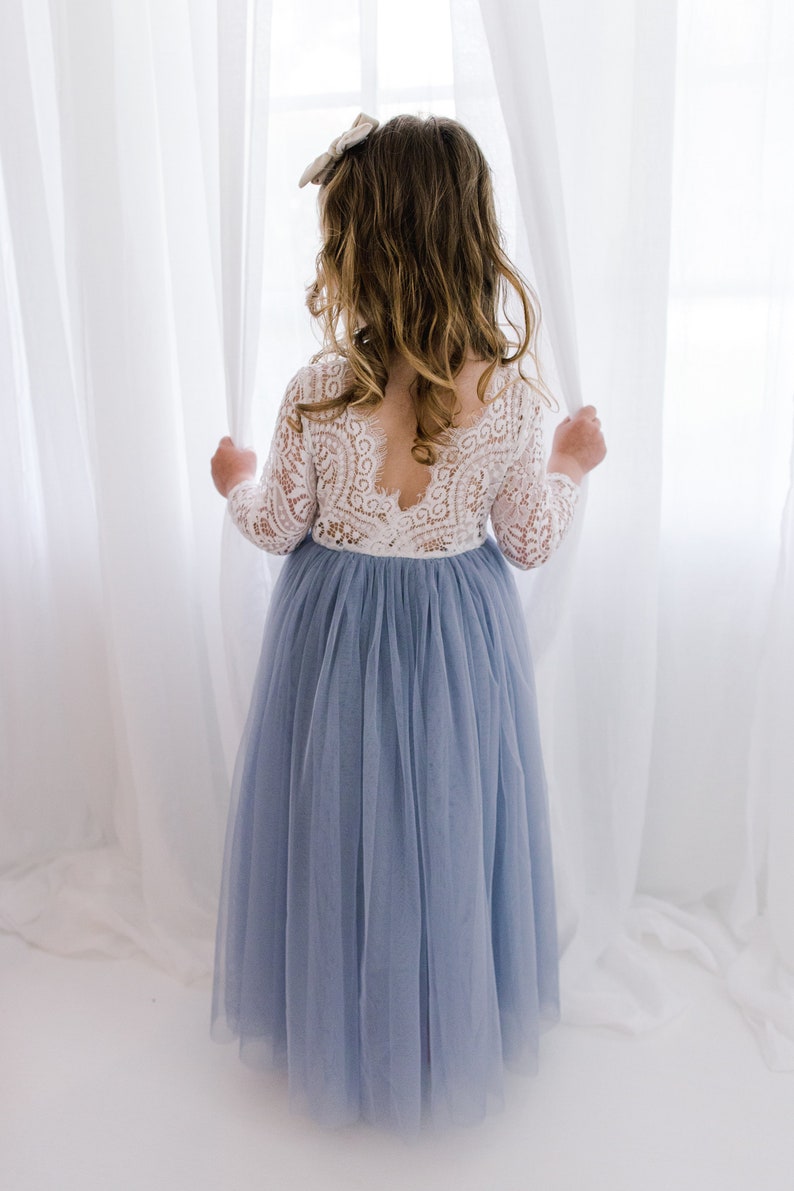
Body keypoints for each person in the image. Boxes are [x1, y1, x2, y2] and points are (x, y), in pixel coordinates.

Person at [209, 112, 606, 1136]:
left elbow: (274, 527)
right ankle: (435, 1019)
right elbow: (526, 541)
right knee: (444, 819)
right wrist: (567, 466)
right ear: (470, 241)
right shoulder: (510, 401)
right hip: (454, 646)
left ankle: (341, 1017)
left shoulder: (315, 397)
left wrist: (234, 482)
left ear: (355, 251)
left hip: (334, 641)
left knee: (341, 820)